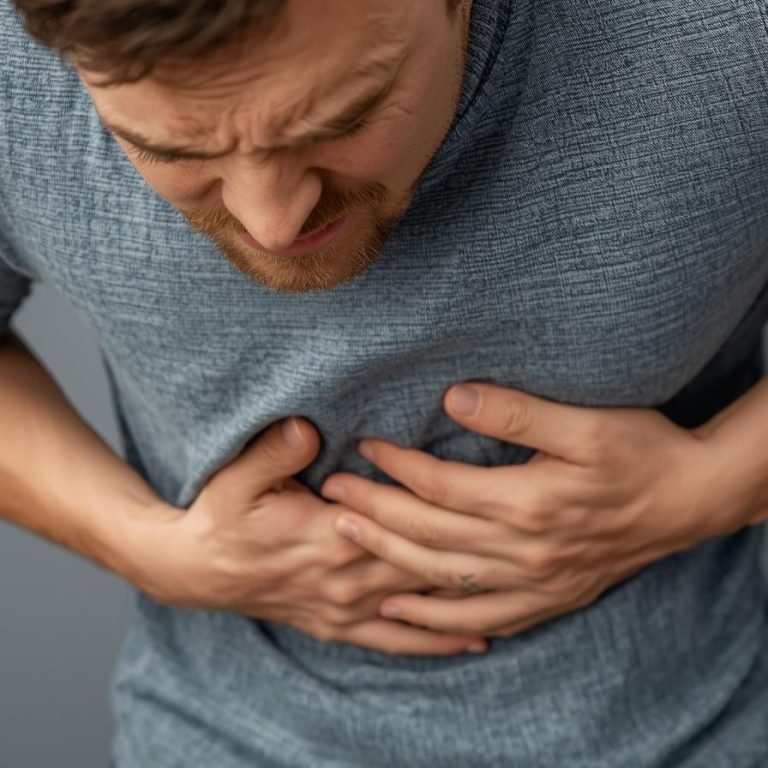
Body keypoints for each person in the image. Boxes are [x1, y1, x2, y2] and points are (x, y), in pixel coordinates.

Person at [1, 0, 767, 764]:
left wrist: (710, 486)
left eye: (339, 121)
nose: (272, 223)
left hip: (706, 725)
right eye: (168, 149)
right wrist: (143, 544)